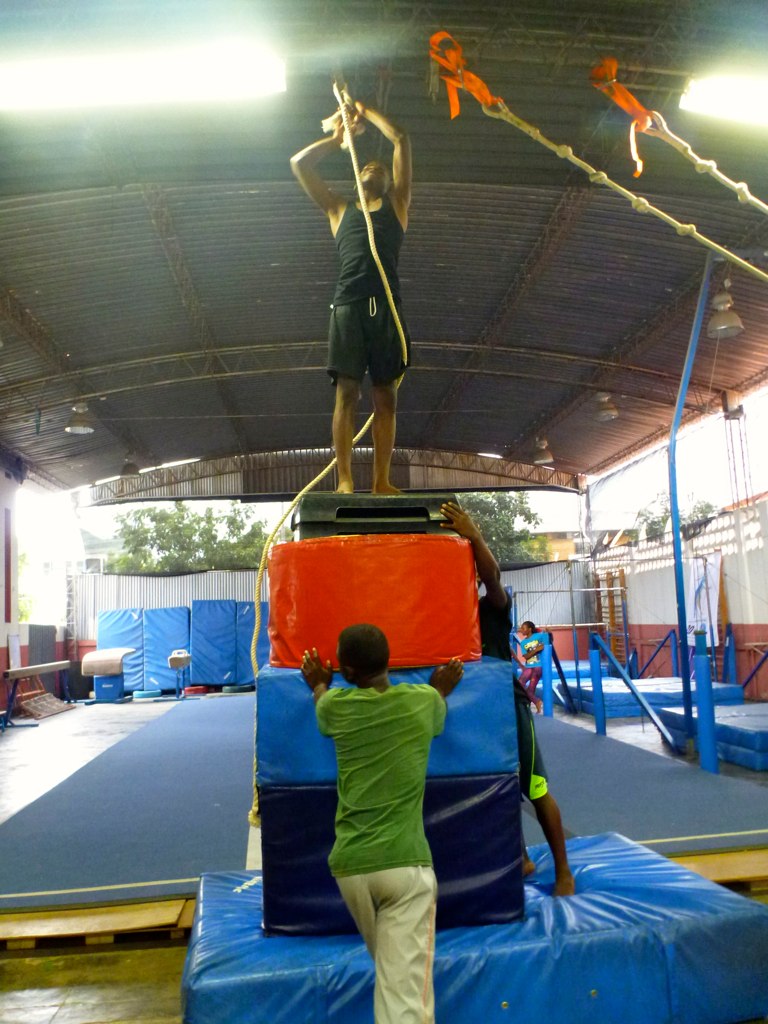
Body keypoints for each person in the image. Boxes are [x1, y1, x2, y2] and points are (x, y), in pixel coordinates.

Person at [301, 624, 463, 1024]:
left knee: (393, 986)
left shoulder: (337, 706)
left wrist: (319, 683)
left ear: (348, 673)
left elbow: (321, 705)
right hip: (403, 869)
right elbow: (436, 705)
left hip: (351, 870)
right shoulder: (422, 702)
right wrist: (440, 687)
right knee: (404, 1000)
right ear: (388, 660)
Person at [439, 501, 575, 897]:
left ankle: (563, 870)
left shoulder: (489, 610)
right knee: (495, 785)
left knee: (534, 787)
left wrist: (473, 535)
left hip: (506, 709)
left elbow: (494, 580)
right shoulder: (438, 623)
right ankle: (521, 856)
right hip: (470, 714)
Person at [290, 100, 412, 495]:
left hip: (387, 309)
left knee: (386, 398)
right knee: (347, 392)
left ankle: (380, 481)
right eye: (366, 167)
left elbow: (400, 140)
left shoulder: (397, 206)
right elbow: (300, 164)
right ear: (356, 175)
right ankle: (344, 479)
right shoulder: (339, 208)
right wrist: (336, 137)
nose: (373, 169)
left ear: (388, 181)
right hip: (348, 306)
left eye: (379, 169)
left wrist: (365, 109)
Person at [514, 619, 545, 714]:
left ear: (530, 629)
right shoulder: (523, 643)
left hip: (538, 667)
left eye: (523, 628)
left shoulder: (538, 636)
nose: (521, 630)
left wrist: (548, 631)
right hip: (529, 667)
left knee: (531, 690)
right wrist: (536, 650)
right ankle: (535, 702)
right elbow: (526, 656)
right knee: (519, 685)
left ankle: (537, 703)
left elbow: (546, 644)